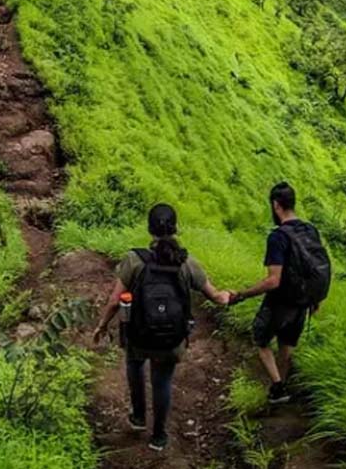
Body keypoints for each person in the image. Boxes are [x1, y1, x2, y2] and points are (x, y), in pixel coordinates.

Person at [92, 204, 232, 453]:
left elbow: (115, 301)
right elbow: (216, 296)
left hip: (139, 334)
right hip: (171, 339)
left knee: (134, 365)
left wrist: (102, 325)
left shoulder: (134, 260)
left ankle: (137, 417)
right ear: (176, 228)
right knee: (162, 381)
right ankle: (158, 436)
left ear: (149, 229)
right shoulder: (187, 263)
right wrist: (231, 296)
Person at [230, 182, 331, 404]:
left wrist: (242, 294)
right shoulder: (310, 230)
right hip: (304, 301)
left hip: (282, 300)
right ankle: (282, 384)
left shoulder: (278, 237)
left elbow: (273, 281)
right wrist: (315, 299)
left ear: (276, 205)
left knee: (260, 338)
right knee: (286, 344)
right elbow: (315, 266)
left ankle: (277, 387)